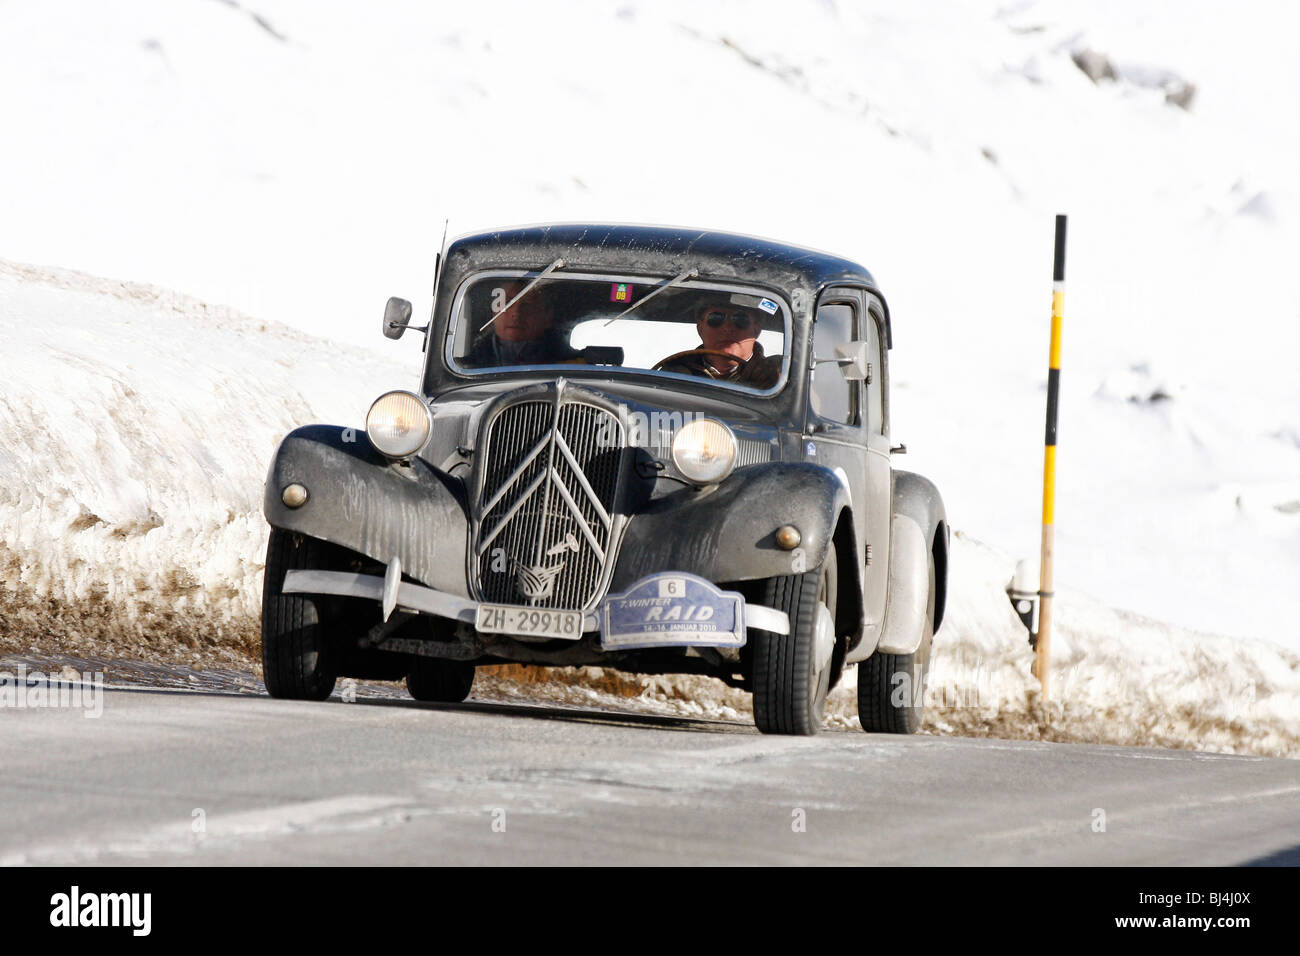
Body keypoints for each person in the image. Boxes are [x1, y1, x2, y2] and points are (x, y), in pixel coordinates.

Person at [656, 296, 781, 388]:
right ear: (700, 328)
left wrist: (773, 377)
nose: (727, 328)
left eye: (740, 319)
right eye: (715, 318)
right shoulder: (673, 373)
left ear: (756, 329)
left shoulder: (778, 374)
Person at [464, 280, 581, 367]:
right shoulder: (466, 366)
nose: (516, 312)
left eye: (528, 304)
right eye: (507, 303)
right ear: (494, 312)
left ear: (547, 316)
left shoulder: (572, 366)